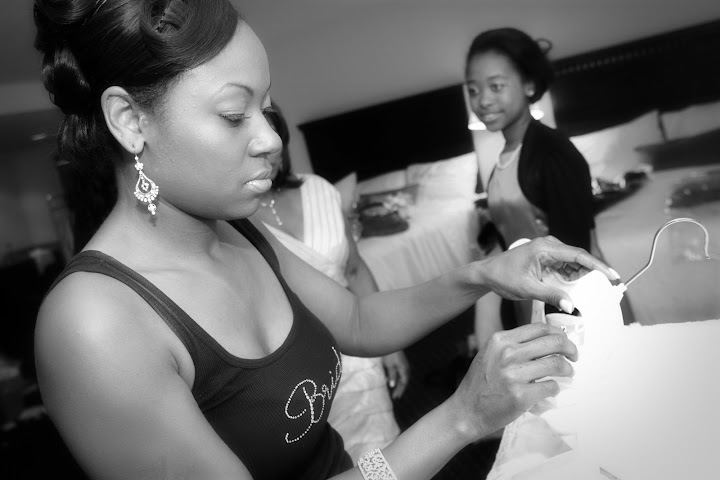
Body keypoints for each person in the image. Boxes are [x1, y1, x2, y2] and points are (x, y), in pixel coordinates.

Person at [32, 2, 619, 479]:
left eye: (266, 109)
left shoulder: (241, 231)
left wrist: (486, 274)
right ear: (130, 120)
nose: (271, 140)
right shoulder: (93, 325)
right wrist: (460, 419)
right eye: (235, 115)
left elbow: (360, 321)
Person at [253, 102, 409, 461]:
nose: (266, 150)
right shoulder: (233, 222)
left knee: (380, 452)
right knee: (333, 463)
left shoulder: (319, 189)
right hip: (301, 370)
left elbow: (355, 269)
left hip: (358, 348)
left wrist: (388, 343)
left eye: (272, 137)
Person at [464, 27, 630, 346]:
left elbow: (575, 254)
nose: (482, 100)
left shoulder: (553, 154)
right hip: (533, 296)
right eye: (473, 90)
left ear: (529, 84)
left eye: (496, 86)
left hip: (573, 305)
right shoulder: (505, 157)